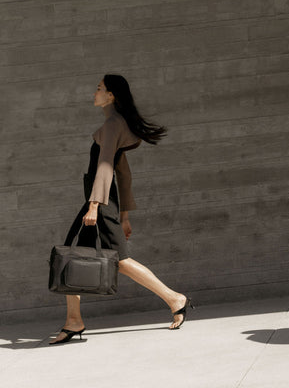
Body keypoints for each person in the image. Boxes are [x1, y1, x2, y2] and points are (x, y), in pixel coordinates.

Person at [50, 74, 191, 345]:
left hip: (99, 203)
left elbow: (105, 166)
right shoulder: (114, 124)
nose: (95, 93)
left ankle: (175, 298)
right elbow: (123, 174)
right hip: (102, 202)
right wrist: (124, 216)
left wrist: (94, 207)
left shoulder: (114, 124)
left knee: (117, 261)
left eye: (99, 89)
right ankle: (73, 320)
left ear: (111, 95)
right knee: (74, 255)